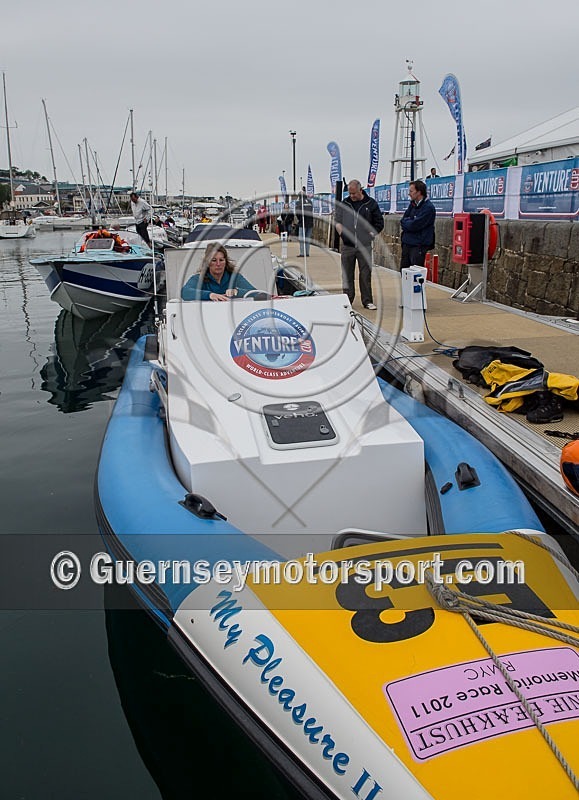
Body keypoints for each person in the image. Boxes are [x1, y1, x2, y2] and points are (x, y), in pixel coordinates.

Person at [334, 179, 384, 310]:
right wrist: (342, 235)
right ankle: (347, 299)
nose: (352, 196)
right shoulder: (345, 204)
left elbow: (379, 222)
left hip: (364, 245)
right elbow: (337, 221)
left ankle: (367, 300)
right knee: (347, 273)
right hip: (348, 245)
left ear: (360, 190)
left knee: (365, 273)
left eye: (354, 193)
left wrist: (371, 234)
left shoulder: (371, 204)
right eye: (350, 193)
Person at [181, 244, 256, 301]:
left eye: (221, 260)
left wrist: (237, 292)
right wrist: (209, 295)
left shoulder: (235, 277)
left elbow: (257, 293)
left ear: (226, 261)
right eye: (214, 260)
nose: (218, 264)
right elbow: (184, 292)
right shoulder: (199, 278)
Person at [400, 179, 436, 269]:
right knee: (404, 272)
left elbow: (415, 225)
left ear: (419, 192)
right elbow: (403, 220)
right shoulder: (412, 205)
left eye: (411, 191)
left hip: (418, 246)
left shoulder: (428, 208)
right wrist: (410, 221)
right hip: (407, 243)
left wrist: (409, 222)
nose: (409, 193)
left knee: (416, 274)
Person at [295, 187, 314, 257]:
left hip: (303, 222)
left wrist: (299, 219)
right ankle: (307, 252)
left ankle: (302, 253)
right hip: (310, 222)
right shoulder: (310, 202)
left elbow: (297, 213)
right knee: (308, 239)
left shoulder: (298, 202)